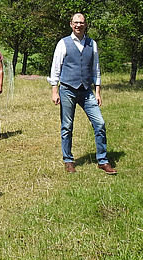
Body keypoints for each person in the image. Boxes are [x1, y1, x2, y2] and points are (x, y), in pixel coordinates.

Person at [48, 13, 116, 174]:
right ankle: (68, 160)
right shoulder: (63, 43)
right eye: (76, 23)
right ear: (71, 24)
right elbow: (55, 67)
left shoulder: (92, 44)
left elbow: (95, 68)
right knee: (67, 126)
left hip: (86, 90)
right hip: (67, 89)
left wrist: (97, 90)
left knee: (99, 123)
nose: (78, 25)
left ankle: (103, 160)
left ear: (86, 25)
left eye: (81, 23)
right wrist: (54, 90)